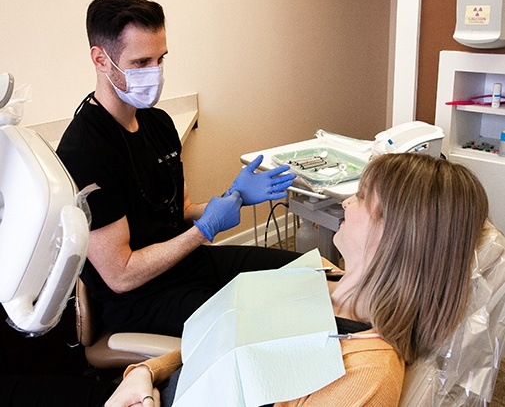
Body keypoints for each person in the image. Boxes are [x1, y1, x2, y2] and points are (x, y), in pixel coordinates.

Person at [104, 152, 490, 407]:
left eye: (361, 197)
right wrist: (145, 371)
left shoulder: (368, 373)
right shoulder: (320, 275)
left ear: (395, 235)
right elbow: (222, 338)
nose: (345, 203)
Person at [56, 0, 299, 337]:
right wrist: (205, 230)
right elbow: (121, 274)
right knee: (264, 328)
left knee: (303, 276)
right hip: (141, 299)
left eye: (160, 59)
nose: (154, 73)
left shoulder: (158, 123)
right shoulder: (84, 151)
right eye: (140, 63)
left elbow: (178, 208)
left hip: (187, 266)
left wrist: (233, 197)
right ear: (100, 59)